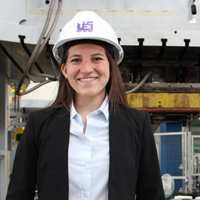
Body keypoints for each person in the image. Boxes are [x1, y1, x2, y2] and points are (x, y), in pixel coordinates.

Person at [6, 11, 165, 200]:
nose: (86, 69)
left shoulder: (137, 124)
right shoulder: (38, 125)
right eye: (76, 60)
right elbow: (18, 194)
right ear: (64, 70)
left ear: (110, 67)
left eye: (97, 58)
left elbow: (152, 194)